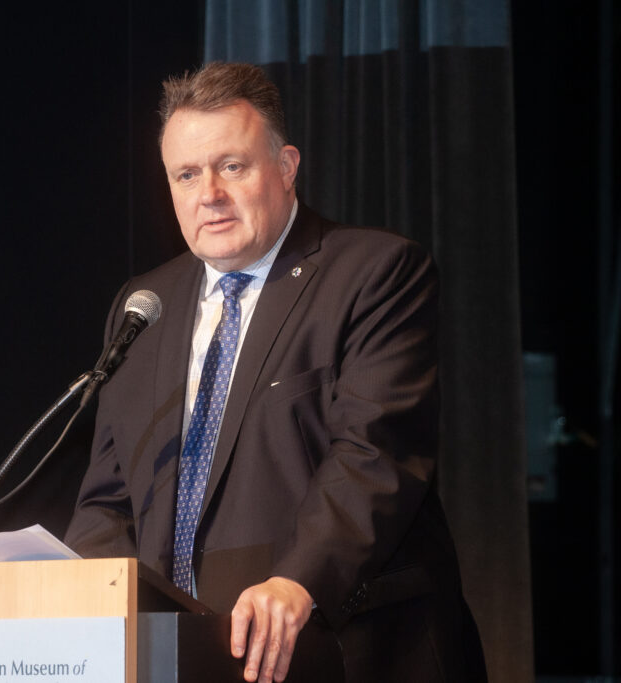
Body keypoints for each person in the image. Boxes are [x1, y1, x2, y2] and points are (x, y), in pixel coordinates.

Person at [64, 62, 486, 683]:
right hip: (179, 653)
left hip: (345, 650)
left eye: (231, 166)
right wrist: (89, 597)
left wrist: (299, 580)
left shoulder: (373, 273)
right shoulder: (143, 305)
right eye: (186, 174)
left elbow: (375, 455)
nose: (209, 192)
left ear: (286, 168)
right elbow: (108, 498)